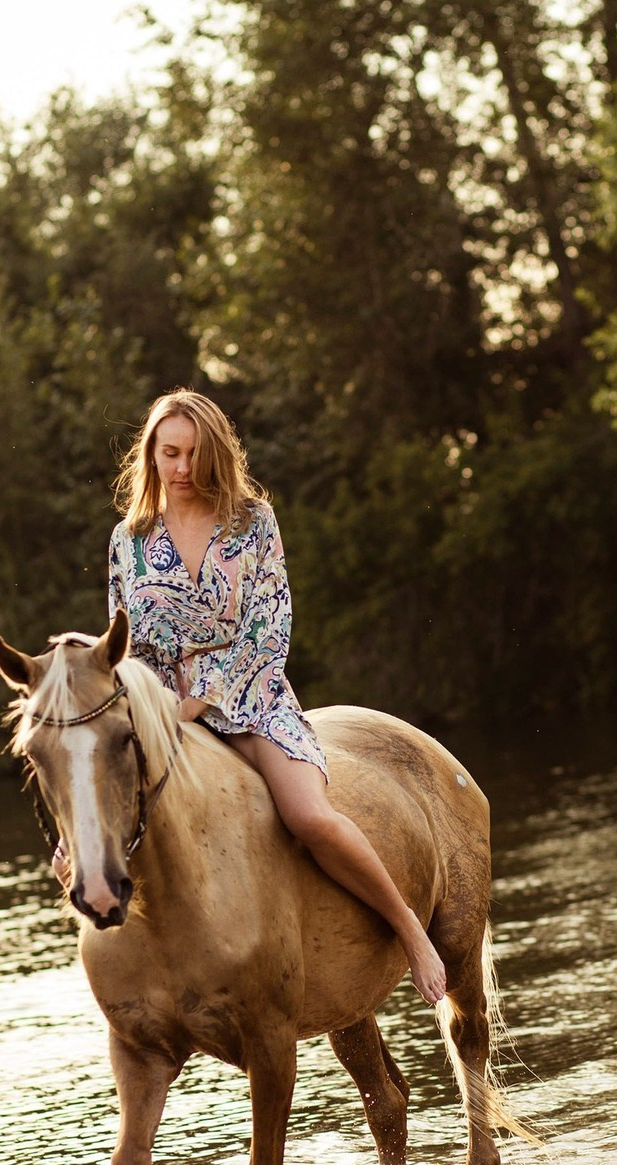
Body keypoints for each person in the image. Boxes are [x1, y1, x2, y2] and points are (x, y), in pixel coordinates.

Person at [57, 387, 447, 1005]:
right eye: (169, 454)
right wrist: (164, 709)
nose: (182, 469)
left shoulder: (252, 524)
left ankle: (408, 927)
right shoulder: (126, 540)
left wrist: (201, 701)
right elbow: (124, 648)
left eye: (194, 455)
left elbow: (270, 630)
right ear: (150, 456)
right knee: (103, 797)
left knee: (309, 818)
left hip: (252, 695)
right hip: (163, 713)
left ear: (217, 456)